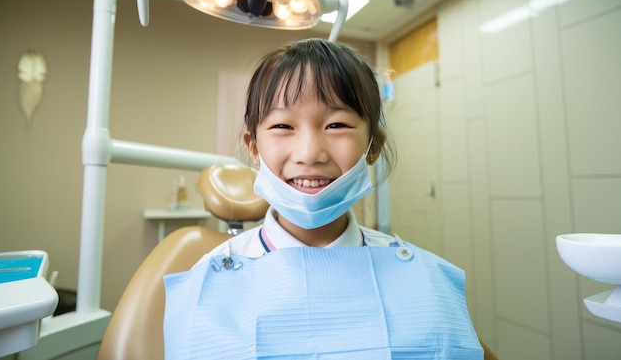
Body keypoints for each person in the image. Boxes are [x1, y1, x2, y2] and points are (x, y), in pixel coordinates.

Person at [163, 38, 484, 359]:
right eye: (283, 125)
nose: (309, 153)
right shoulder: (211, 283)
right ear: (253, 147)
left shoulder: (425, 283)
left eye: (336, 124)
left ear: (373, 145)